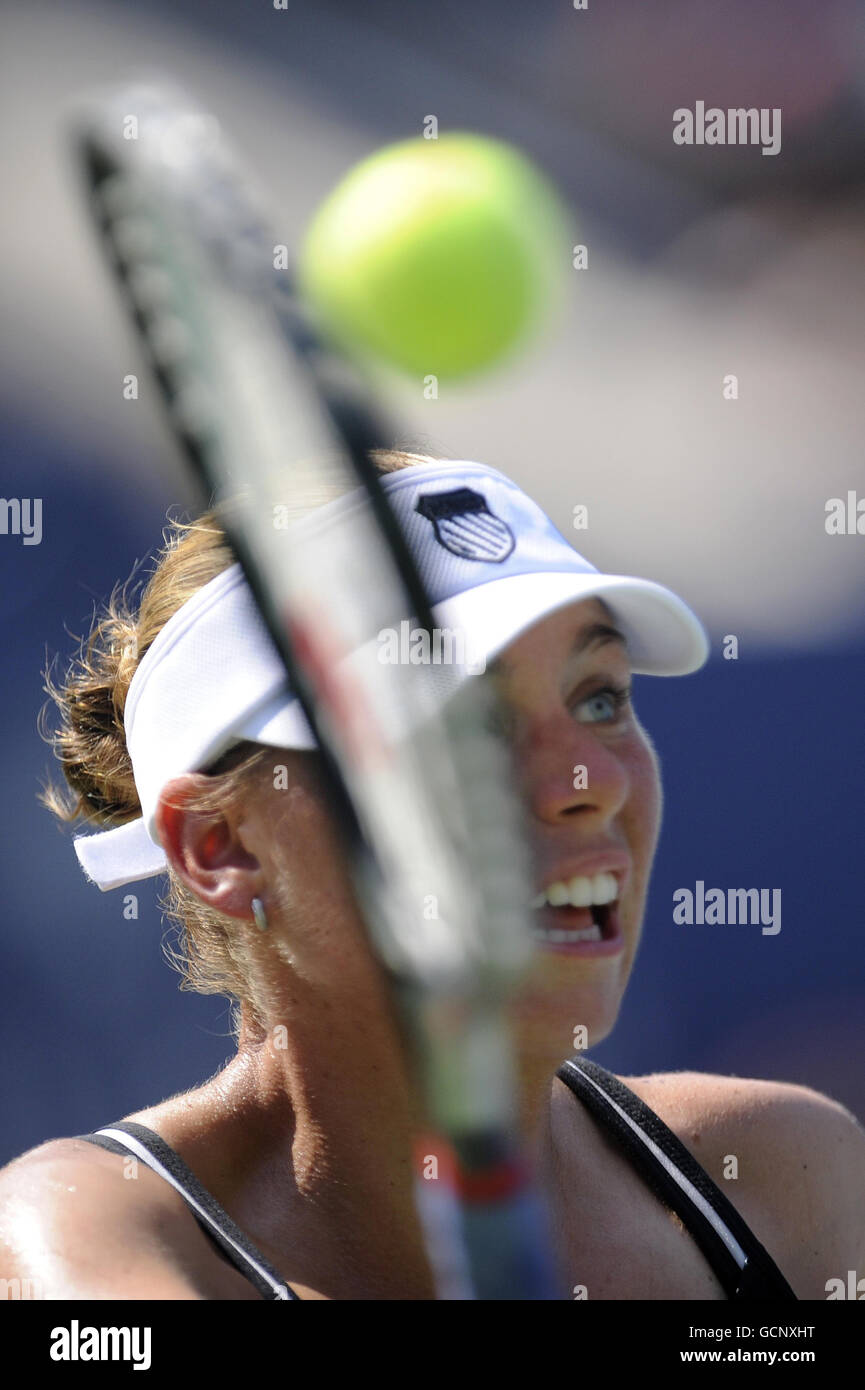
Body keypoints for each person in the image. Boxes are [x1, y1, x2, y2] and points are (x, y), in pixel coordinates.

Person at [1, 451, 862, 1301]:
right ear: (221, 845)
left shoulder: (790, 1177)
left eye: (599, 696)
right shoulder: (81, 1241)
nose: (590, 781)